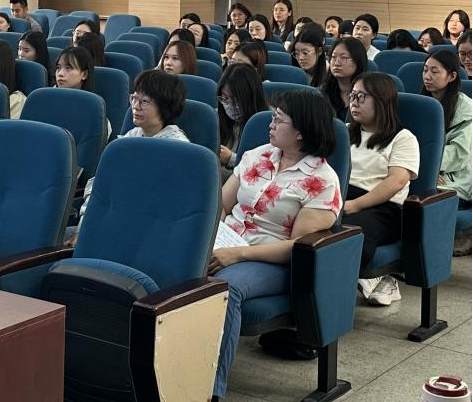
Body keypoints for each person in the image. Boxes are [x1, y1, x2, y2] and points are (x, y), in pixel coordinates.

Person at [209, 89, 342, 400]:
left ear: (301, 132)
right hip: (229, 243)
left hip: (272, 259)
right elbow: (222, 206)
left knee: (225, 289)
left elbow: (298, 246)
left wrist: (237, 254)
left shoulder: (322, 180)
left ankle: (210, 391)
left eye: (279, 120)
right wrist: (213, 238)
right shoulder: (257, 156)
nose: (270, 124)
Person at [68, 69, 191, 247]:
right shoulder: (132, 136)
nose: (135, 106)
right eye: (134, 98)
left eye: (145, 101)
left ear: (166, 106)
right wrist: (83, 227)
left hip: (143, 235)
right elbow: (100, 183)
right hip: (109, 220)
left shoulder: (178, 149)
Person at [344, 72, 420, 305]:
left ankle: (367, 279)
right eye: (352, 95)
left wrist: (355, 205)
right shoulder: (344, 131)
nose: (354, 102)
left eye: (361, 96)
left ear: (382, 100)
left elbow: (396, 181)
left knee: (347, 234)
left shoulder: (403, 138)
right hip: (343, 195)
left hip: (382, 207)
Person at [422, 50, 472, 205]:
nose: (427, 76)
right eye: (425, 70)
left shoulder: (466, 109)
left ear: (452, 76)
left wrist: (428, 168)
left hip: (456, 176)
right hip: (422, 168)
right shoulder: (421, 104)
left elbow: (459, 154)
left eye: (434, 71)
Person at [218, 62, 267, 182]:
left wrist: (231, 158)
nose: (229, 106)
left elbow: (262, 171)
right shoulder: (215, 116)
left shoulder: (266, 123)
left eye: (236, 100)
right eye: (225, 98)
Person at [321, 36, 368, 121]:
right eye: (333, 57)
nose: (337, 63)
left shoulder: (367, 95)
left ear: (358, 61)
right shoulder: (323, 92)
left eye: (343, 58)